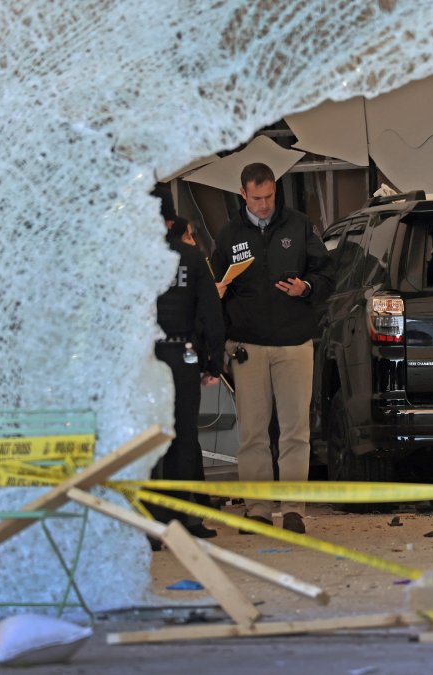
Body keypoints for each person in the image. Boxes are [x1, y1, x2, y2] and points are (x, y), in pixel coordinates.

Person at [211, 163, 334, 534]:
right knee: (253, 432)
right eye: (257, 198)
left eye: (269, 197)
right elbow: (216, 286)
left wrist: (307, 288)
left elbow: (327, 273)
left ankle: (294, 507)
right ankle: (258, 509)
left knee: (296, 429)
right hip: (247, 344)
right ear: (243, 194)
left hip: (294, 341)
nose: (264, 205)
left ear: (275, 192)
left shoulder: (299, 226)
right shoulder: (229, 233)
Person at [150, 213, 226, 540]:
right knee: (183, 437)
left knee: (149, 440)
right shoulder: (192, 258)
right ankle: (185, 519)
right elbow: (210, 312)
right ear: (171, 222)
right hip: (182, 355)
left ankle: (151, 523)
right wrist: (213, 363)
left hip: (145, 358)